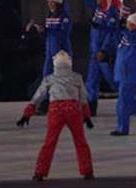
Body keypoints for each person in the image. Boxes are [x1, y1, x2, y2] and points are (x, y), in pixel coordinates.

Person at [17, 51, 94, 182]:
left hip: (55, 110)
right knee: (80, 142)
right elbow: (83, 98)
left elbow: (38, 96)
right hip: (73, 110)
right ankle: (87, 171)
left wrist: (27, 114)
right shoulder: (77, 77)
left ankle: (39, 173)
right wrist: (86, 116)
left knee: (49, 143)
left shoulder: (49, 78)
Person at [71, 0, 118, 114]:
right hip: (95, 50)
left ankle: (127, 98)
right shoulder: (98, 8)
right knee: (92, 80)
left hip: (103, 53)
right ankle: (91, 106)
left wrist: (104, 51)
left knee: (111, 78)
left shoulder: (112, 12)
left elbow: (111, 34)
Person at [41, 0, 72, 78]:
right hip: (49, 51)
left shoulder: (64, 16)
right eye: (48, 2)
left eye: (52, 2)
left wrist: (50, 31)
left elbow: (65, 32)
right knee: (47, 76)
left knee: (61, 78)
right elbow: (47, 34)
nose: (49, 4)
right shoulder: (50, 15)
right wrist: (42, 31)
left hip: (60, 52)